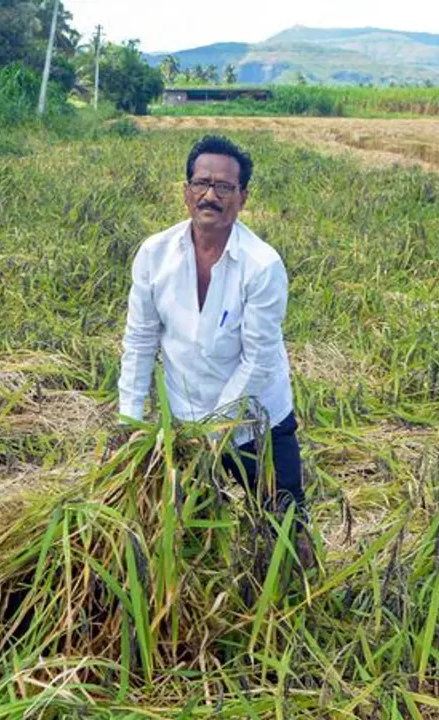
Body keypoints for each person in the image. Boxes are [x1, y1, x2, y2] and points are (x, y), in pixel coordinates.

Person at [116, 135, 311, 559]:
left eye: (224, 187)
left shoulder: (262, 266)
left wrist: (213, 432)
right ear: (186, 191)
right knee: (184, 530)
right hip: (184, 421)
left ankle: (296, 597)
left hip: (257, 420)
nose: (210, 195)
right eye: (201, 183)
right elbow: (140, 340)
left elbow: (258, 360)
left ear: (242, 197)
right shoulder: (154, 255)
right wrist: (130, 424)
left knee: (285, 524)